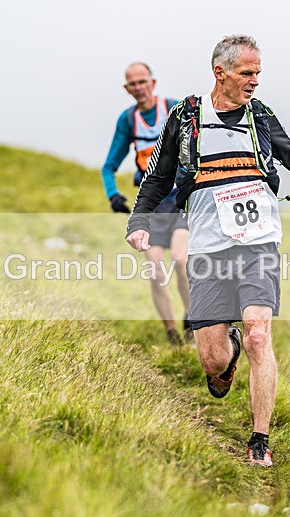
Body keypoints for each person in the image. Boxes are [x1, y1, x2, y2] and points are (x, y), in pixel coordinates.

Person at [125, 36, 290, 467]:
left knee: (259, 333)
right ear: (221, 72)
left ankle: (259, 439)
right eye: (247, 73)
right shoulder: (185, 116)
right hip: (207, 245)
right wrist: (139, 223)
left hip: (259, 242)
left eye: (258, 73)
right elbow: (158, 178)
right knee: (213, 361)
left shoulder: (261, 116)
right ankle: (226, 351)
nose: (255, 81)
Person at [102, 62, 192, 345]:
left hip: (179, 202)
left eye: (143, 82)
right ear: (127, 89)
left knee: (181, 260)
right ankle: (172, 334)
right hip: (151, 206)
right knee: (155, 270)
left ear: (153, 82)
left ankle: (191, 321)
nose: (139, 88)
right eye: (133, 84)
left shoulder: (175, 109)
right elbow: (109, 166)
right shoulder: (128, 121)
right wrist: (113, 195)